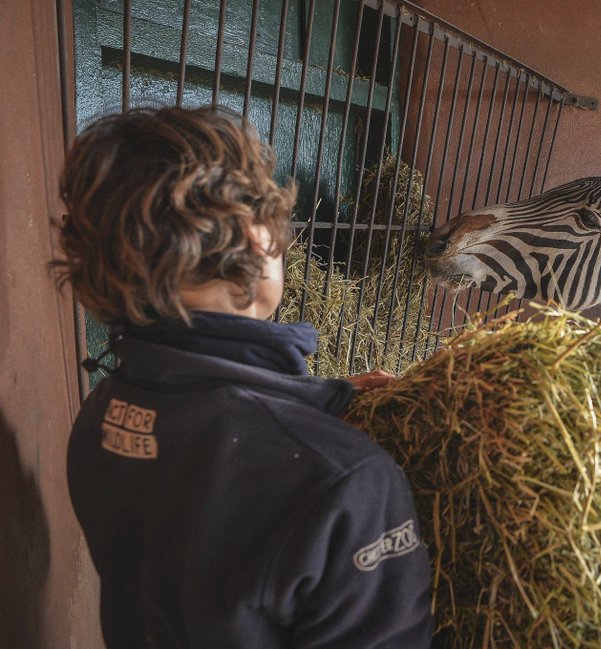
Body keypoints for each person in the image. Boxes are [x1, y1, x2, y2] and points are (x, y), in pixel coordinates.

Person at [54, 105, 433, 648]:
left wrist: (311, 405)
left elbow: (210, 461)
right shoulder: (350, 479)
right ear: (259, 240)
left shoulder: (102, 414)